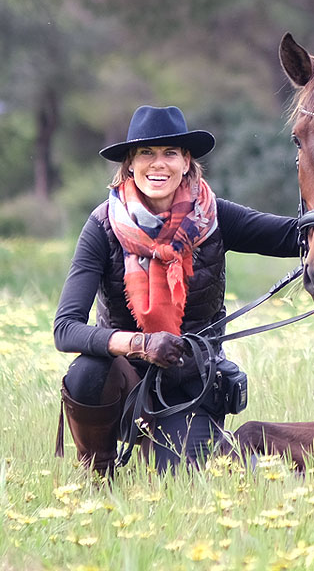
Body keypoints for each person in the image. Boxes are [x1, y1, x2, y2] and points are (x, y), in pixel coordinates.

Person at [54, 105, 300, 474]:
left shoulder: (216, 217)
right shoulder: (102, 226)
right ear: (129, 164)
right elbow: (65, 329)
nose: (159, 164)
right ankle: (98, 473)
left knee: (181, 481)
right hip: (125, 384)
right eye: (146, 154)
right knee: (86, 373)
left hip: (191, 386)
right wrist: (140, 344)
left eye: (170, 153)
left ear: (186, 161)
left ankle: (204, 445)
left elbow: (293, 236)